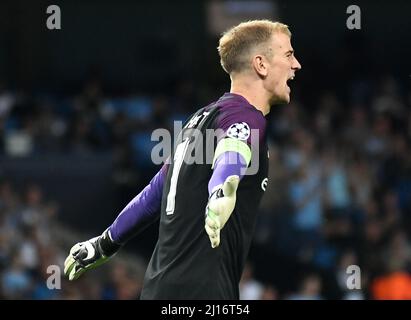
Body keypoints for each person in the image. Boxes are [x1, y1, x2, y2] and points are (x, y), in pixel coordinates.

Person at [64, 19, 301, 300]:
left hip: (157, 288)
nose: (296, 64)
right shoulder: (246, 115)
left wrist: (104, 244)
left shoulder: (197, 121)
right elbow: (234, 147)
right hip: (204, 292)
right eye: (288, 54)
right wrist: (221, 189)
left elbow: (154, 193)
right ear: (261, 64)